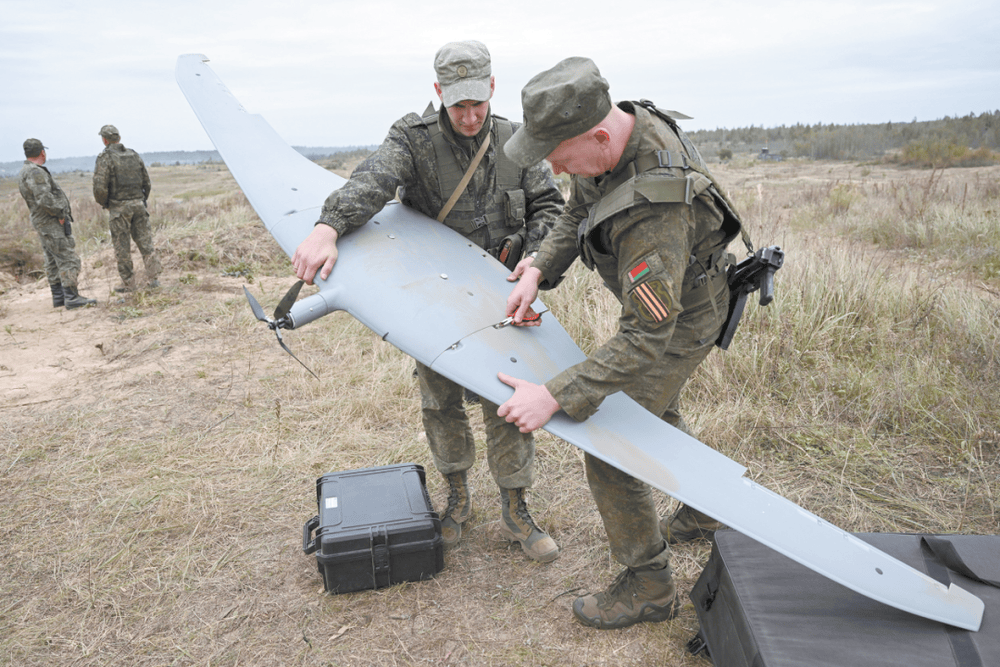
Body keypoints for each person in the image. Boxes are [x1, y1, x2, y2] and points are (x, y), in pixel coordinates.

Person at [292, 41, 565, 562]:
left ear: (492, 89)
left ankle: (516, 507)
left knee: (508, 404)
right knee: (440, 403)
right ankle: (457, 500)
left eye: (477, 103)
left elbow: (550, 207)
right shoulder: (411, 139)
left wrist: (534, 260)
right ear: (438, 93)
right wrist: (328, 227)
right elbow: (373, 180)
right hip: (433, 300)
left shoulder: (516, 141)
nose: (468, 116)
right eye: (457, 104)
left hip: (504, 296)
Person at [498, 57, 744, 628]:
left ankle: (649, 587)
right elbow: (581, 205)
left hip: (679, 321)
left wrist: (555, 395)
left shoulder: (655, 212)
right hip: (669, 306)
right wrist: (538, 269)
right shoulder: (613, 138)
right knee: (652, 417)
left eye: (558, 157)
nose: (556, 170)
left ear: (600, 136)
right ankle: (709, 509)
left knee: (612, 445)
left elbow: (645, 338)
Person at [17, 138, 97, 310]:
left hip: (42, 222)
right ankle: (72, 297)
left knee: (52, 260)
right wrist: (60, 213)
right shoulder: (35, 172)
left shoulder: (25, 171)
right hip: (50, 222)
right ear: (42, 152)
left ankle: (59, 297)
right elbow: (44, 198)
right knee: (68, 258)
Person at [93, 124, 161, 291]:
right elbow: (147, 182)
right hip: (138, 205)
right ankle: (154, 279)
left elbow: (99, 188)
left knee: (122, 247)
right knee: (146, 243)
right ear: (119, 138)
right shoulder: (133, 155)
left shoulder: (105, 158)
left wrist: (107, 204)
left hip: (119, 208)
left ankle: (129, 284)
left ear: (104, 140)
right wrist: (141, 200)